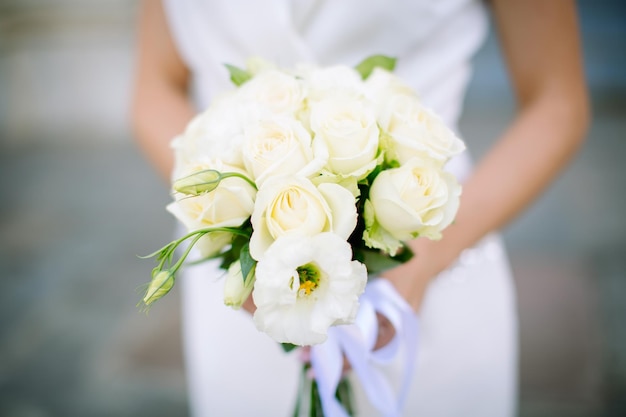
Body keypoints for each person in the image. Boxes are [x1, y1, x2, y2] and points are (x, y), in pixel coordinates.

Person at [131, 1, 589, 415]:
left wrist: (426, 258)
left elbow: (558, 102)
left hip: (427, 262)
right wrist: (232, 219)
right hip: (240, 294)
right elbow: (153, 88)